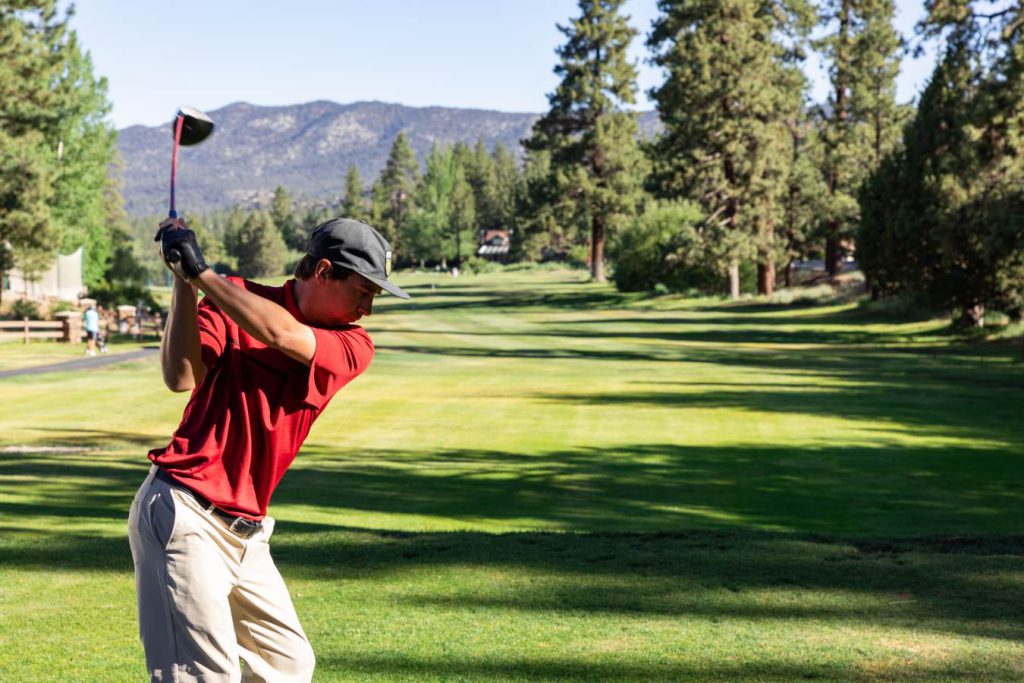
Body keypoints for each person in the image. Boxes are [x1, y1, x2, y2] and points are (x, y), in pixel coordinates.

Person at [128, 217, 409, 682]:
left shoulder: (353, 344)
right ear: (323, 271)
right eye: (363, 291)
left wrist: (202, 274)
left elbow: (282, 334)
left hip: (247, 534)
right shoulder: (230, 295)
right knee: (203, 675)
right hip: (184, 512)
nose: (368, 309)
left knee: (288, 665)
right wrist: (184, 284)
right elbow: (180, 377)